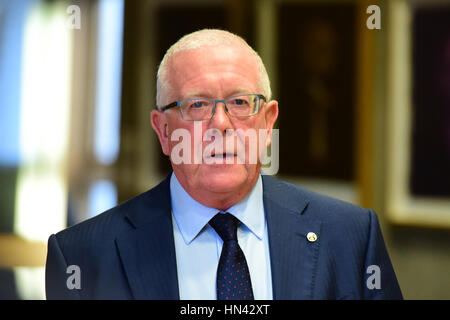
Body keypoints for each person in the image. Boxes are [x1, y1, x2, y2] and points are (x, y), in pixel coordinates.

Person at [45, 29, 402, 300]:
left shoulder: (351, 236)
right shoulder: (82, 256)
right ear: (164, 130)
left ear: (267, 123)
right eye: (197, 105)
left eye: (240, 102)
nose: (221, 124)